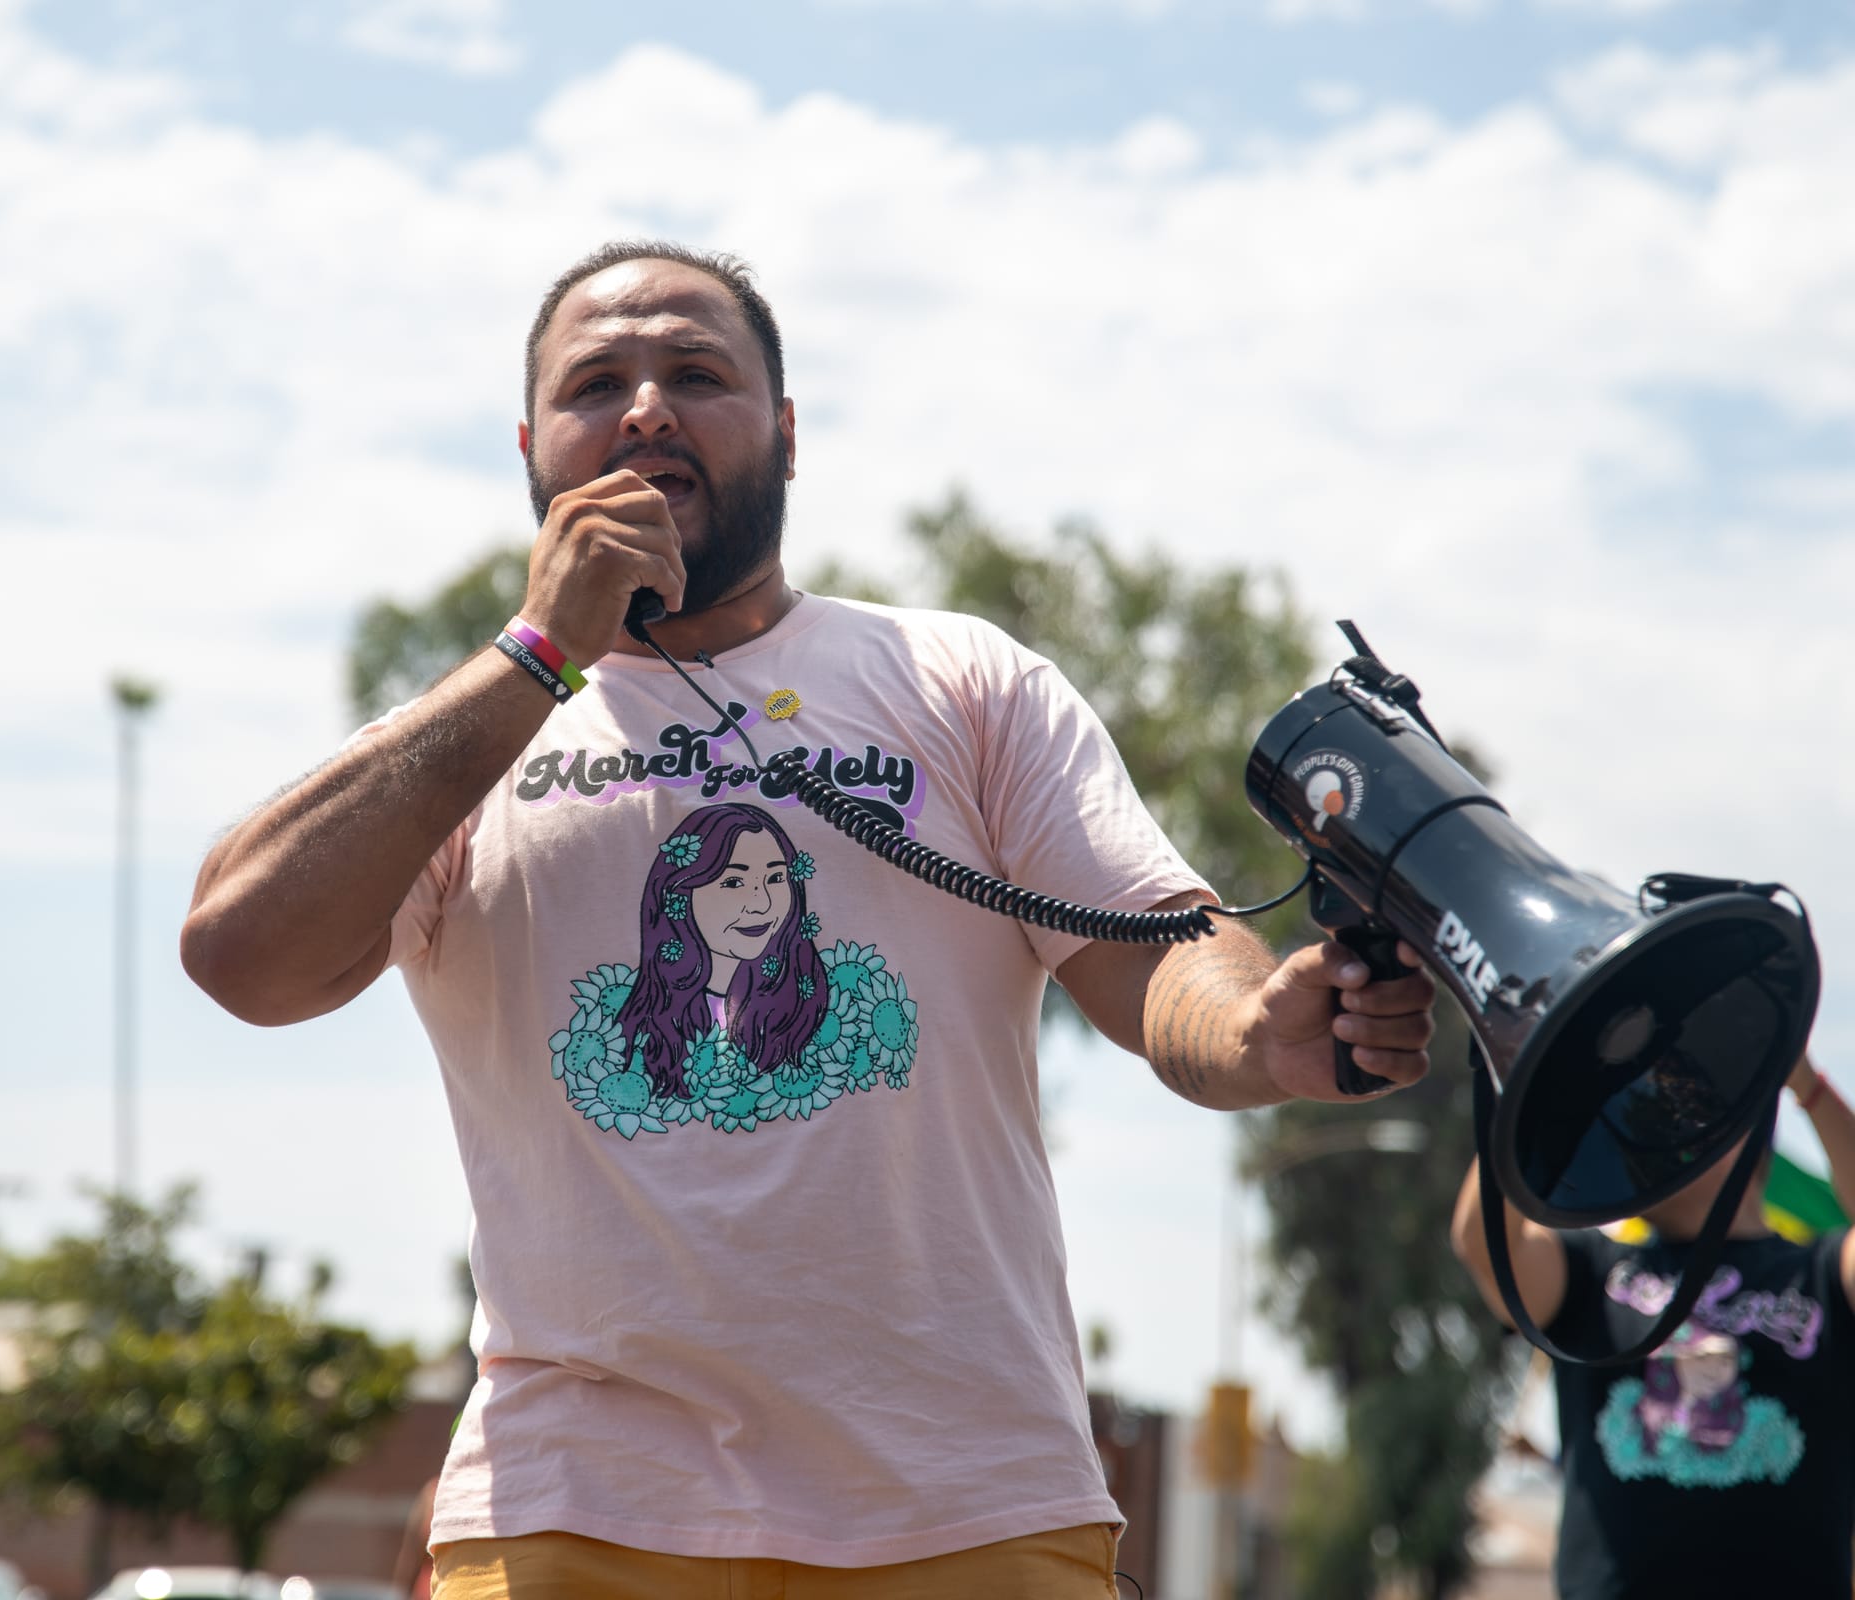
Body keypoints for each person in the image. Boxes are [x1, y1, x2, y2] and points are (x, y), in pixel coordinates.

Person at [181, 240, 1438, 1600]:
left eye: (698, 373)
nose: (648, 408)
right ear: (534, 448)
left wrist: (1261, 1031)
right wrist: (539, 655)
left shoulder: (963, 682)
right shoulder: (469, 740)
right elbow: (242, 956)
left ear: (785, 432)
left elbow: (1157, 956)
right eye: (598, 382)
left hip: (966, 1509)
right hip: (574, 1514)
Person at [1451, 1051, 1855, 1600]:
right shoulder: (1590, 1272)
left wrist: (1806, 1084)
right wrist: (1540, 1080)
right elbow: (1482, 1240)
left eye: (1679, 1115)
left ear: (1743, 1134)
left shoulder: (1822, 1274)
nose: (1648, 1137)